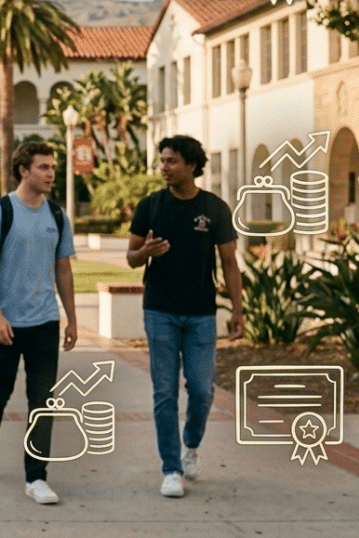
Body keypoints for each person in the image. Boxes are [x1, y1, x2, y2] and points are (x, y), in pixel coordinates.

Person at [126, 135, 243, 499]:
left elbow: (228, 262)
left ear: (192, 165)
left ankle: (190, 445)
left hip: (201, 313)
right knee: (164, 392)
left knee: (203, 389)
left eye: (171, 161)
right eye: (162, 161)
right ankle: (171, 469)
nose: (164, 167)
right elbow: (132, 257)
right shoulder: (151, 206)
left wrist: (238, 310)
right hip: (159, 310)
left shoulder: (214, 208)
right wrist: (145, 250)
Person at [0, 141, 77, 505]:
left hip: (44, 321)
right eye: (44, 167)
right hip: (3, 322)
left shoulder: (57, 215)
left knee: (43, 400)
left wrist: (71, 319)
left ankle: (37, 478)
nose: (50, 173)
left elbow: (63, 269)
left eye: (52, 167)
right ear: (23, 171)